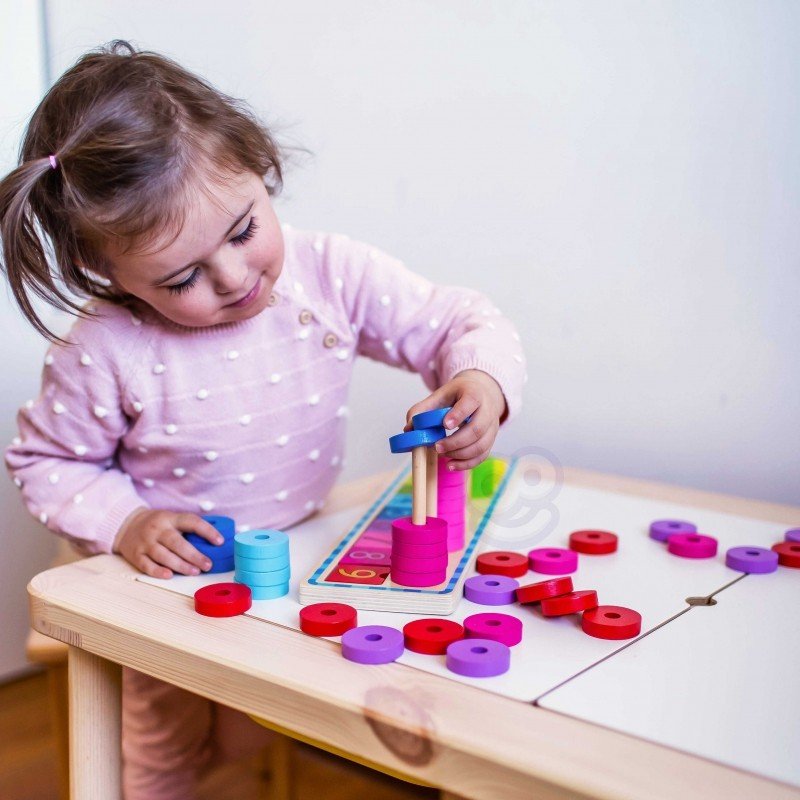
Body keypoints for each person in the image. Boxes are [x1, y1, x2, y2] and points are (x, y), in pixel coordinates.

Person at [0, 40, 526, 799]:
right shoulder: (104, 346)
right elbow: (46, 462)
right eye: (182, 278)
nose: (236, 278)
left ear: (260, 165)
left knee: (254, 727)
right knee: (163, 759)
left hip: (297, 569)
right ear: (106, 273)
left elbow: (457, 322)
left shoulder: (330, 274)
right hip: (171, 593)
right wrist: (126, 522)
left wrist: (480, 377)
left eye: (244, 231)